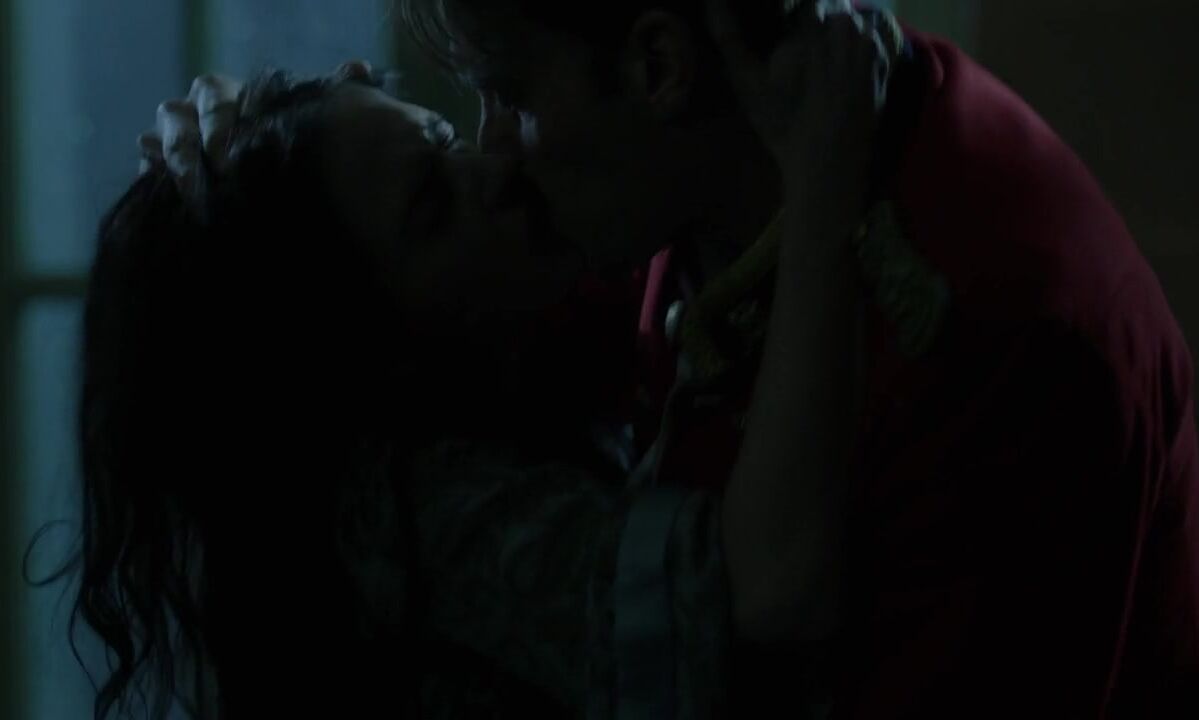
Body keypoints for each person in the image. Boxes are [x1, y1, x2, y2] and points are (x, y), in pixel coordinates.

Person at [153, 0, 1199, 716]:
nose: (494, 153)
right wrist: (265, 209)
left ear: (657, 66)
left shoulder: (992, 329)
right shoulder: (682, 189)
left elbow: (767, 599)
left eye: (512, 96)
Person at [32, 10, 882, 714]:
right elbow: (764, 595)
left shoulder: (487, 366)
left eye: (441, 137)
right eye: (434, 203)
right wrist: (822, 186)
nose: (495, 165)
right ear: (370, 352)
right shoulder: (416, 518)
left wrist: (270, 133)